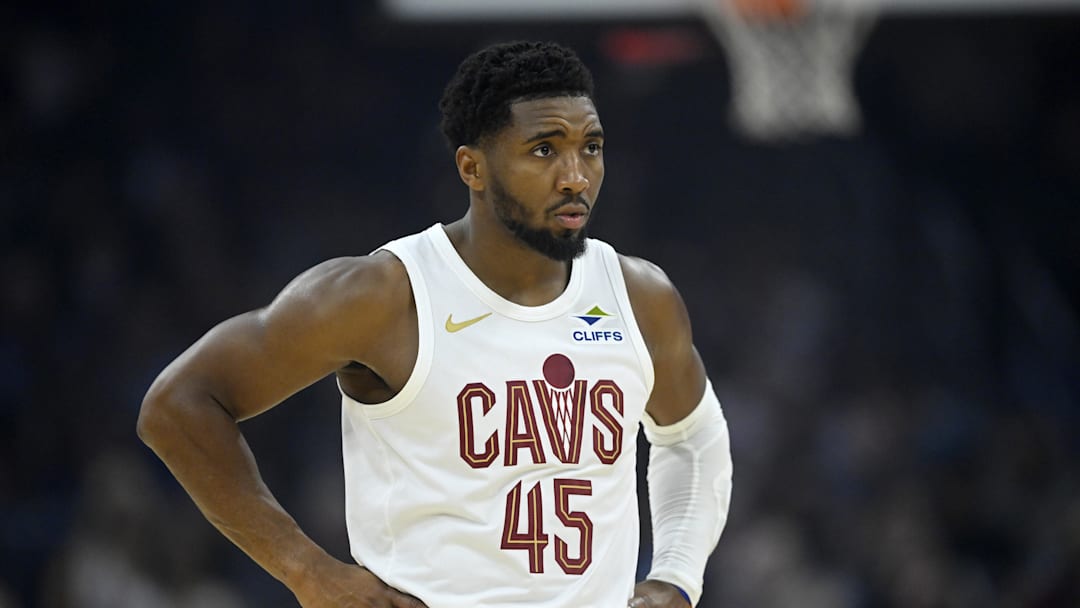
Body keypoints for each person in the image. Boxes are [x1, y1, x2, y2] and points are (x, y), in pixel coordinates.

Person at [137, 40, 732, 608]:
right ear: (472, 168)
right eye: (545, 149)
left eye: (592, 147)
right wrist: (307, 570)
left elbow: (694, 435)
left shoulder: (639, 294)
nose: (575, 175)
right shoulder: (383, 295)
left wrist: (676, 576)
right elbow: (179, 403)